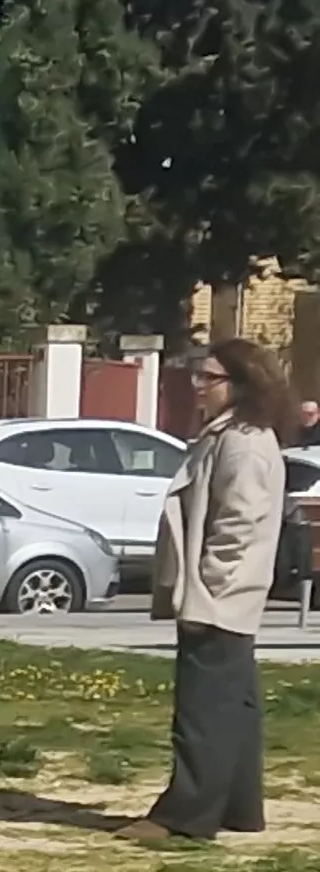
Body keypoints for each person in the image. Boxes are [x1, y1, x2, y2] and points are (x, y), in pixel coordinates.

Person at [124, 339, 295, 845]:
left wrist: (209, 586)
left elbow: (237, 524)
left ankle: (186, 815)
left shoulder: (241, 441)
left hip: (220, 595)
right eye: (197, 375)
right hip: (229, 595)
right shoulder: (235, 435)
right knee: (233, 705)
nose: (198, 386)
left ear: (242, 384)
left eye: (209, 377)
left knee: (203, 709)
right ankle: (239, 808)